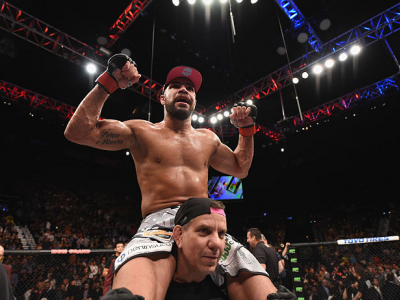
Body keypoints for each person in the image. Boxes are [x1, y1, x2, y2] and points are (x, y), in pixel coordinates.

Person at [65, 54, 282, 300]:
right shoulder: (141, 131)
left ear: (195, 100)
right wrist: (108, 82)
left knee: (261, 288)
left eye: (189, 88)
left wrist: (246, 130)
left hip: (205, 220)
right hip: (158, 225)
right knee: (129, 294)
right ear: (162, 97)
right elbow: (78, 132)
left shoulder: (208, 139)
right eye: (176, 86)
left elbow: (239, 168)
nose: (183, 90)